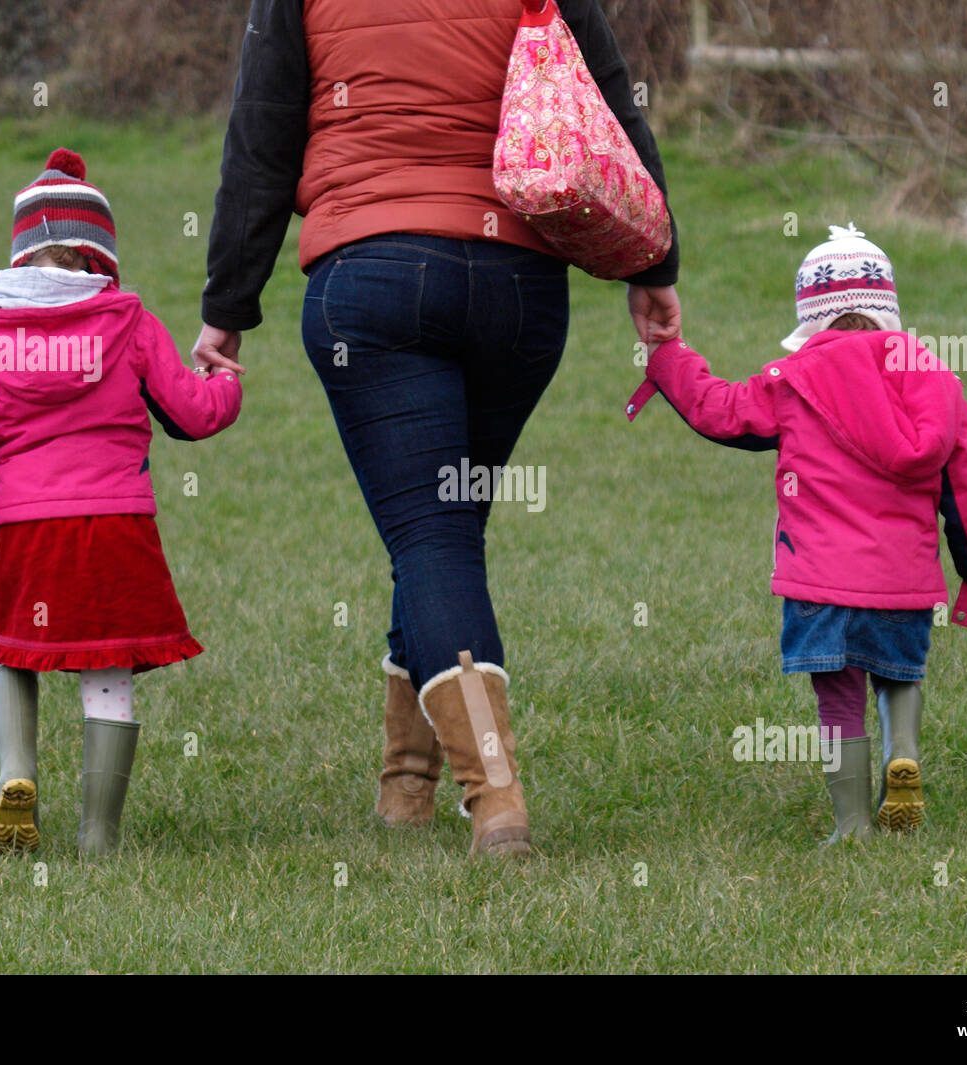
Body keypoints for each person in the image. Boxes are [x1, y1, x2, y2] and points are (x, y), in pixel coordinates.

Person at [191, 0, 680, 856]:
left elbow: (260, 134)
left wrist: (228, 305)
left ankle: (496, 799)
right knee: (440, 531)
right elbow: (609, 103)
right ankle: (405, 786)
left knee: (430, 537)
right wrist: (654, 263)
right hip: (520, 294)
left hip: (371, 279)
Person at [627, 224, 967, 844]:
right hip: (903, 583)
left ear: (812, 314)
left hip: (819, 583)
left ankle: (852, 823)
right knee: (899, 675)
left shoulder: (793, 379)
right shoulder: (937, 379)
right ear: (888, 309)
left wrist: (668, 355)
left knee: (838, 699)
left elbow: (717, 411)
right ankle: (902, 752)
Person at [0, 149, 242, 856]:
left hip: (27, 532)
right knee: (107, 668)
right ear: (101, 255)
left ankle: (16, 771)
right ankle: (98, 833)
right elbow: (190, 413)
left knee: (12, 650)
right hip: (115, 527)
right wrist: (225, 383)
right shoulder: (126, 319)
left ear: (20, 256)